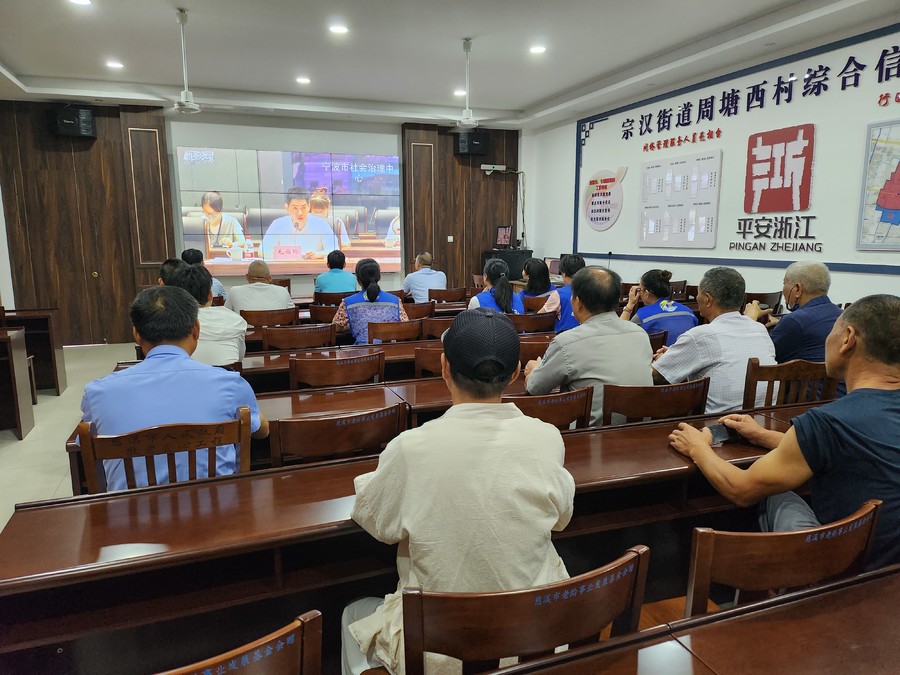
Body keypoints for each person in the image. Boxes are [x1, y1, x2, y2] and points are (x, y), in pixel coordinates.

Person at [342, 308, 575, 674]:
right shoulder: (546, 437)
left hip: (439, 654)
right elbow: (562, 518)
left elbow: (377, 521)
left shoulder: (411, 448)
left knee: (351, 614)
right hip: (535, 642)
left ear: (444, 367)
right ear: (516, 373)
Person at [668, 294, 900, 571]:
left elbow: (742, 489)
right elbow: (857, 443)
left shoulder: (828, 421)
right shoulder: (843, 423)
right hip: (890, 568)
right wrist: (762, 435)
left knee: (773, 493)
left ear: (848, 339)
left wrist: (697, 447)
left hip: (845, 570)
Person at [80, 286, 268, 492]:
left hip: (130, 512)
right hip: (219, 510)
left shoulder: (98, 393)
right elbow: (261, 431)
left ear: (137, 334)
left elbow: (83, 445)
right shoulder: (230, 383)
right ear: (196, 329)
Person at [525, 267, 653, 426]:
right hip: (638, 429)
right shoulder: (640, 334)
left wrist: (534, 369)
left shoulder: (566, 342)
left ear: (578, 302)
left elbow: (535, 389)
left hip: (589, 434)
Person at [653, 267, 776, 413]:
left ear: (708, 299)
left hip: (720, 423)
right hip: (765, 418)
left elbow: (657, 376)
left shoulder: (700, 336)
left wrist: (663, 360)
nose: (697, 298)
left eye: (698, 293)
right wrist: (678, 355)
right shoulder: (760, 329)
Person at [744, 261, 844, 364]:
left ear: (797, 289)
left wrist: (749, 320)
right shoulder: (842, 315)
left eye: (784, 283)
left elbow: (758, 355)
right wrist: (780, 322)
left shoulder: (794, 321)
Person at [168, 264, 247, 366]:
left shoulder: (169, 322)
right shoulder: (237, 320)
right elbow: (240, 358)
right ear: (210, 295)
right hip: (228, 374)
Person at [333, 258, 409, 345]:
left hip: (362, 352)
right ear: (379, 277)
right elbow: (405, 326)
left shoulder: (348, 303)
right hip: (390, 350)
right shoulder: (395, 301)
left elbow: (335, 327)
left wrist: (353, 324)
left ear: (358, 281)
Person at [621, 269, 698, 346]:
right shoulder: (688, 312)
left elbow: (619, 333)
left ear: (647, 293)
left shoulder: (643, 315)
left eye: (640, 290)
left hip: (659, 353)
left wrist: (630, 304)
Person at [260, 186, 339, 260]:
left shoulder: (321, 224)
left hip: (312, 269)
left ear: (309, 206)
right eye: (295, 208)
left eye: (303, 207)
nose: (300, 213)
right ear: (287, 208)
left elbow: (335, 251)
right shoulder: (278, 225)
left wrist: (319, 254)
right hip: (286, 268)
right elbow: (262, 251)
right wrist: (288, 254)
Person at [224, 260, 295, 314]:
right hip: (275, 330)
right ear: (270, 278)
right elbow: (292, 313)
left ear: (247, 277)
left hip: (245, 330)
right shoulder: (283, 291)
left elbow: (226, 315)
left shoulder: (234, 291)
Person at [538, 254, 586, 332]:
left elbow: (539, 317)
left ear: (564, 274)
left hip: (563, 336)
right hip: (587, 335)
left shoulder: (559, 294)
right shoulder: (592, 291)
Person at [200, 191, 245, 258]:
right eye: (206, 213)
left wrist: (232, 244)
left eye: (214, 213)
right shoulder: (201, 223)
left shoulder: (231, 221)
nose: (210, 216)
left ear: (221, 210)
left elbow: (242, 242)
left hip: (227, 258)